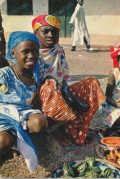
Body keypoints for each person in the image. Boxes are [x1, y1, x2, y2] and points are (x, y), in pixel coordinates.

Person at [31, 14, 106, 146]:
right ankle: (55, 131)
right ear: (35, 32)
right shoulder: (30, 54)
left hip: (59, 95)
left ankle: (76, 131)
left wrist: (70, 97)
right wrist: (56, 90)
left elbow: (62, 81)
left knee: (91, 83)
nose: (51, 35)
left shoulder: (58, 51)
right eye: (46, 31)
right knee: (49, 84)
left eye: (55, 31)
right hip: (40, 102)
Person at [0, 31, 48, 172]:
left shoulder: (37, 69)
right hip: (4, 114)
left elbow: (47, 76)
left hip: (24, 112)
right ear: (13, 54)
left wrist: (51, 79)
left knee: (39, 122)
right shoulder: (5, 74)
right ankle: (13, 143)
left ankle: (20, 138)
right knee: (3, 141)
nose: (31, 56)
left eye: (35, 51)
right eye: (25, 52)